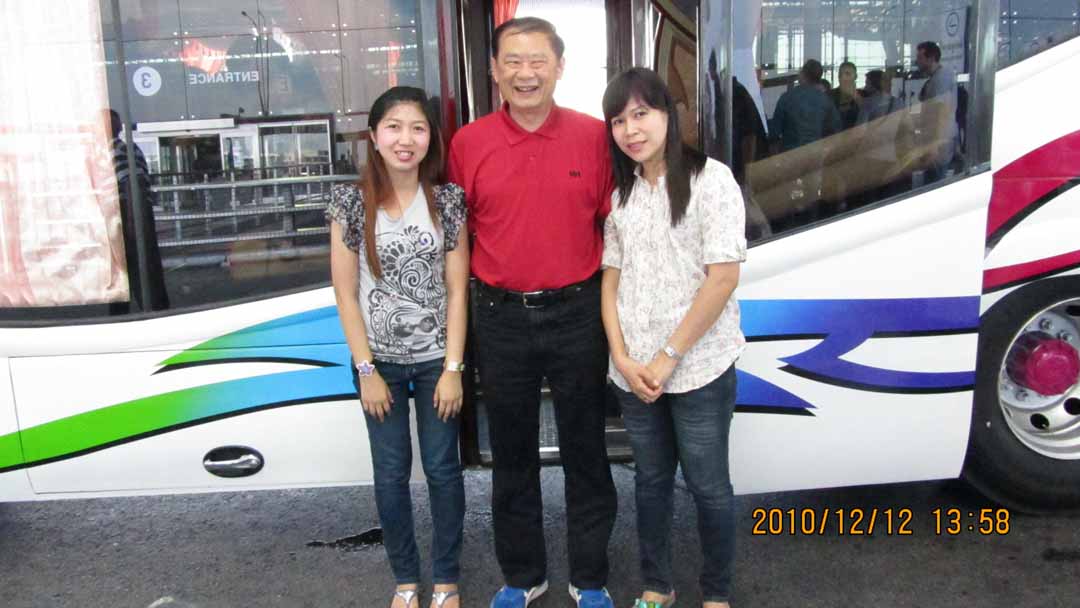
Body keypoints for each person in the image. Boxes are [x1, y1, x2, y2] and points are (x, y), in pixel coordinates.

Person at [446, 16, 618, 608]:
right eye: (513, 61)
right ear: (494, 71)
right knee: (511, 454)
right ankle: (523, 576)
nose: (526, 73)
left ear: (559, 67)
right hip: (500, 317)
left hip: (579, 312)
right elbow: (458, 235)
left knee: (586, 449)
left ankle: (589, 577)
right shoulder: (468, 144)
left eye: (538, 60)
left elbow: (614, 227)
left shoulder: (594, 137)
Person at [601, 67, 746, 608]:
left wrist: (667, 357)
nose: (631, 130)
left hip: (699, 367)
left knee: (709, 487)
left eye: (641, 114)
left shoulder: (712, 180)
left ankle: (717, 594)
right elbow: (610, 279)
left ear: (668, 114)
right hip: (634, 373)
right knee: (650, 482)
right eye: (619, 120)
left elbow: (723, 277)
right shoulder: (622, 196)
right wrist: (621, 356)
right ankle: (656, 586)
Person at [326, 86, 468, 608]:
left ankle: (447, 579)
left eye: (417, 128)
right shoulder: (349, 202)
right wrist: (366, 370)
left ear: (431, 139)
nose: (405, 139)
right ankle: (406, 579)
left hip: (436, 363)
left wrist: (453, 367)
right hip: (378, 363)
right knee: (391, 474)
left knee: (443, 470)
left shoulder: (448, 200)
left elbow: (457, 290)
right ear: (374, 136)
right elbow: (345, 293)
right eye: (394, 127)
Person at [107, 109, 169, 310]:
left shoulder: (112, 150)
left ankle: (131, 310)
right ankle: (153, 307)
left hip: (125, 215)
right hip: (138, 212)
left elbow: (128, 184)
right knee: (144, 266)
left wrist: (128, 218)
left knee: (126, 268)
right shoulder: (130, 148)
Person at [769, 59, 841, 152]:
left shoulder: (787, 97)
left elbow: (774, 132)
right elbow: (836, 129)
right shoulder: (826, 101)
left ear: (803, 74)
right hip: (816, 153)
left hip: (790, 154)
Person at [914, 41, 958, 183]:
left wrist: (934, 146)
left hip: (938, 145)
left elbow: (941, 112)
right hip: (935, 142)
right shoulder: (935, 78)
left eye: (920, 57)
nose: (917, 61)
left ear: (931, 58)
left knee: (934, 186)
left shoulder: (941, 78)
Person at [828, 61, 862, 130]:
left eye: (847, 74)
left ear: (855, 76)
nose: (843, 78)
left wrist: (856, 98)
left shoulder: (864, 95)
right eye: (840, 74)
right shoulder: (829, 95)